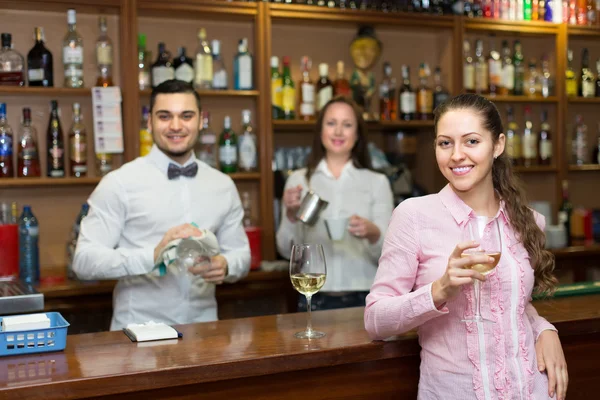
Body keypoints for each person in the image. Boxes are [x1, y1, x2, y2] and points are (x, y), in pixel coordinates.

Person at [364, 94, 568, 400]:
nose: (457, 154)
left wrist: (543, 329)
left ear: (497, 145)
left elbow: (510, 306)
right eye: (445, 143)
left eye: (471, 141)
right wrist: (439, 290)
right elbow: (375, 320)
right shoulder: (413, 216)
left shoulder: (529, 220)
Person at [73, 79, 250, 331]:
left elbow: (241, 253)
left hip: (206, 333)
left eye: (186, 116)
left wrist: (227, 265)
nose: (176, 126)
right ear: (149, 122)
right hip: (138, 336)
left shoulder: (222, 185)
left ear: (201, 121)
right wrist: (152, 256)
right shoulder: (119, 183)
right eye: (164, 116)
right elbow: (84, 261)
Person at [277, 96, 394, 311]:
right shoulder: (299, 181)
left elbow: (391, 255)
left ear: (357, 134)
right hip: (312, 296)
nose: (338, 132)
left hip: (366, 296)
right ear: (320, 131)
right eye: (331, 123)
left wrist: (373, 232)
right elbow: (285, 250)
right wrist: (291, 215)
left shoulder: (377, 182)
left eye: (347, 125)